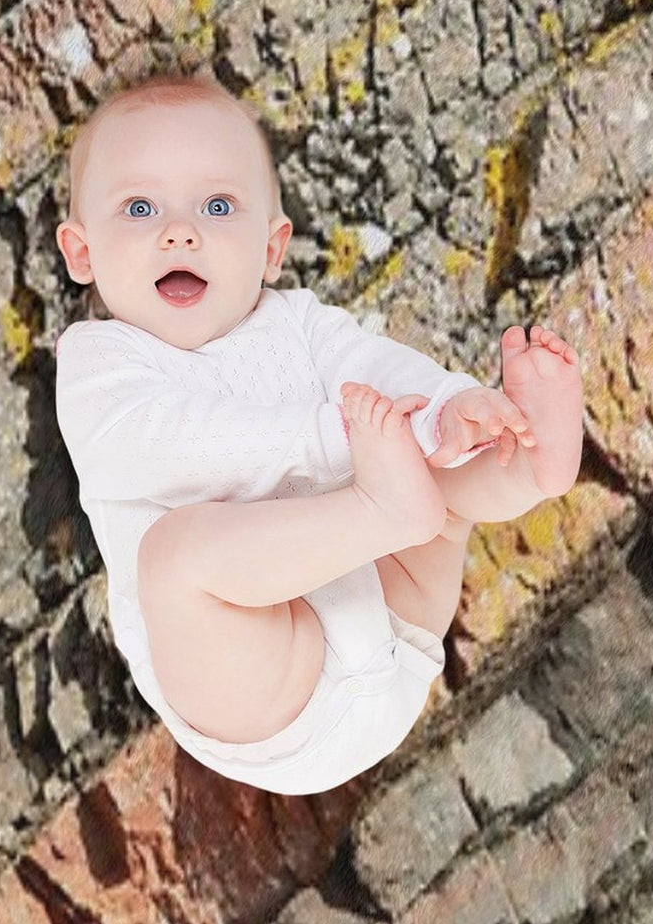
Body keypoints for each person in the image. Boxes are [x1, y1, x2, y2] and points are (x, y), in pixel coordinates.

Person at [53, 72, 584, 795]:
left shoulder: (297, 322)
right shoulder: (99, 365)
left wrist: (445, 407)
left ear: (272, 249)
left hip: (396, 622)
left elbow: (376, 368)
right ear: (81, 253)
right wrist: (340, 439)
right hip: (271, 694)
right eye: (140, 207)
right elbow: (172, 446)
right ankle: (389, 507)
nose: (181, 231)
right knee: (174, 559)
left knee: (437, 478)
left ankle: (524, 465)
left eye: (217, 205)